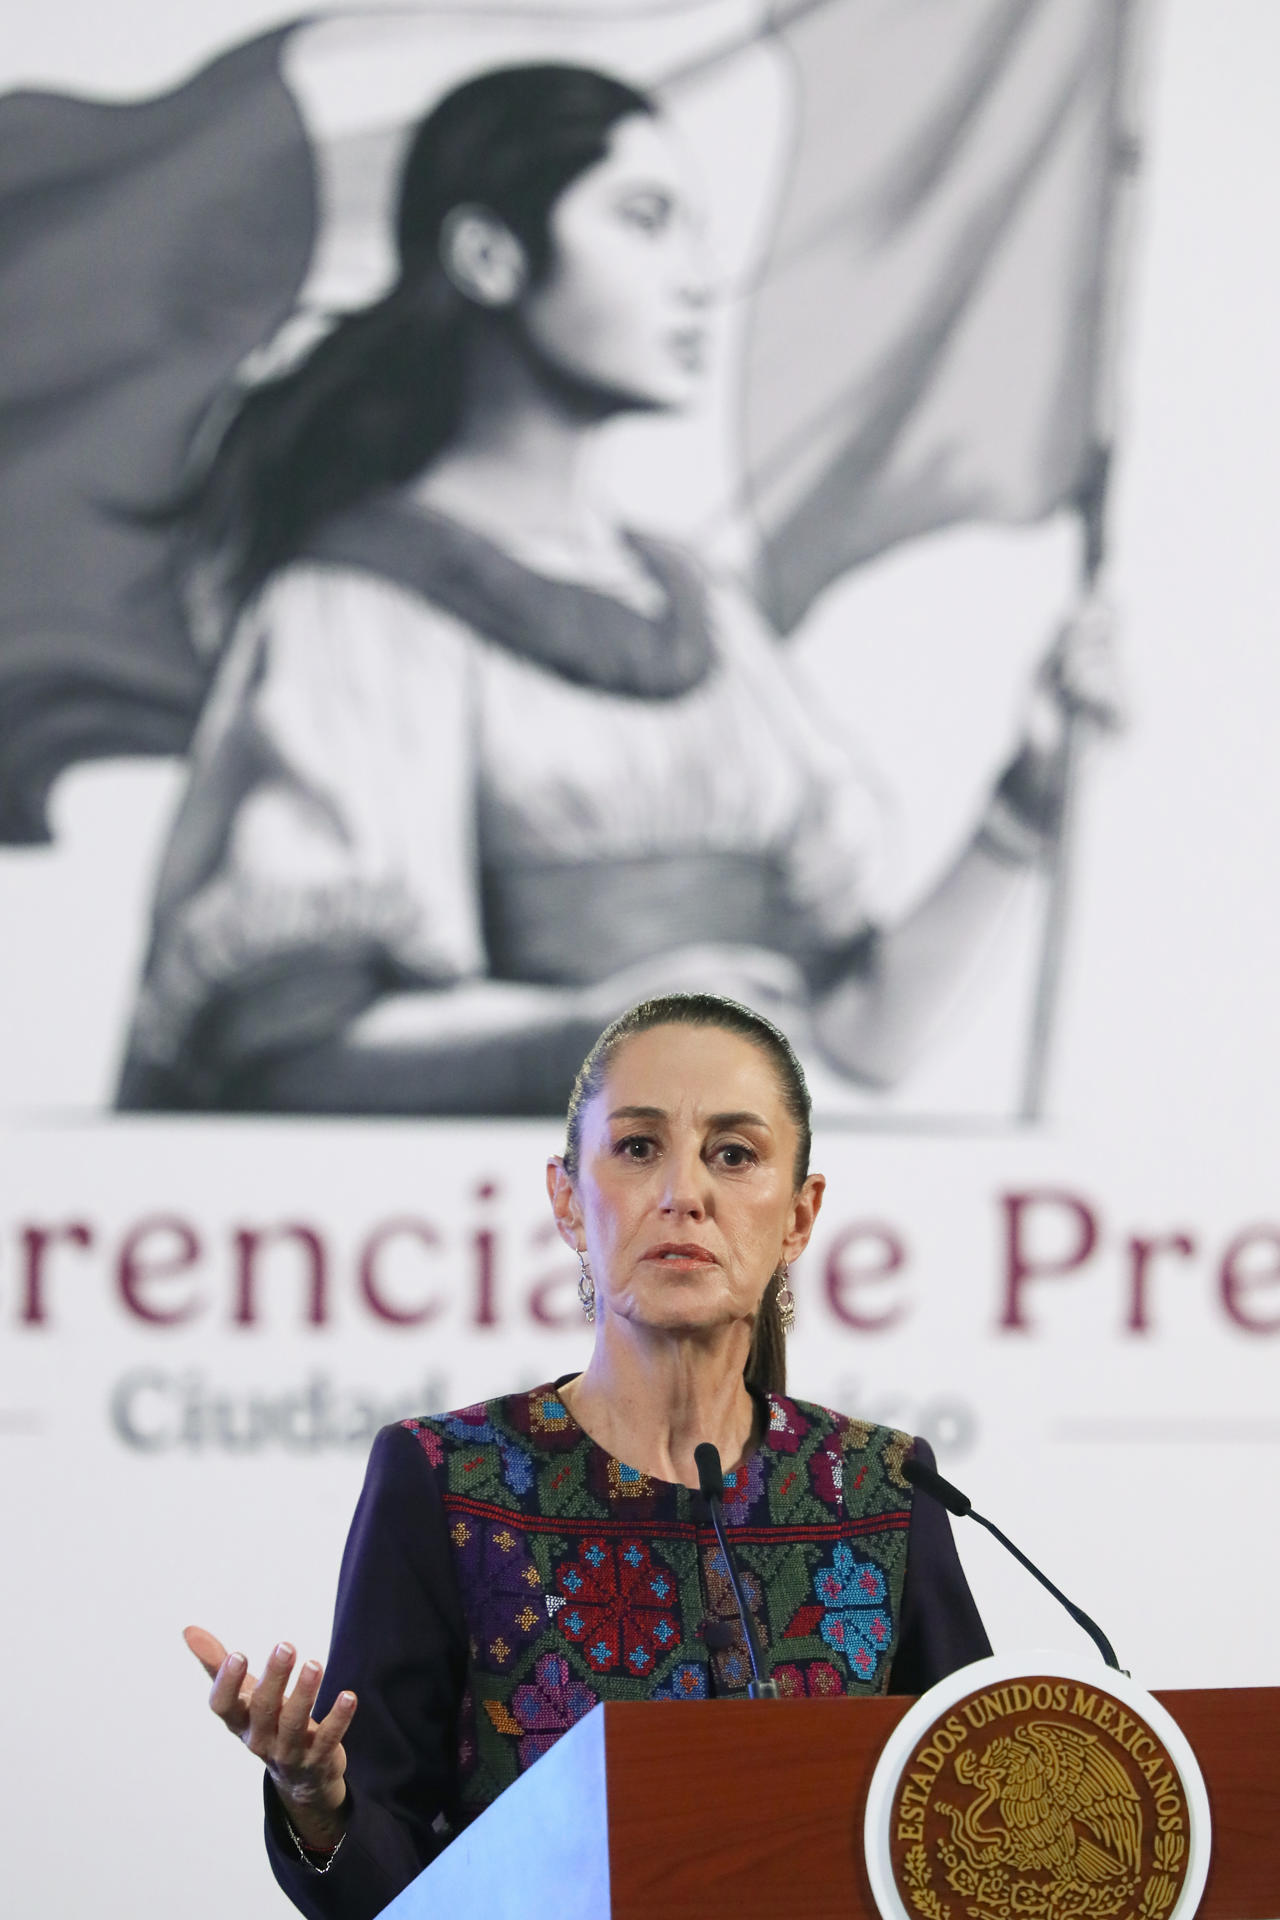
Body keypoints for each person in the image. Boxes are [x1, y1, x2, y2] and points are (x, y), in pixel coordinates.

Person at [117, 61, 1107, 1118]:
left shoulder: (700, 613)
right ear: (488, 257)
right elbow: (289, 1054)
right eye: (643, 220)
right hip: (468, 1248)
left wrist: (1025, 801)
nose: (696, 277)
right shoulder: (355, 610)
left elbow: (864, 1036)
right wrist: (603, 1040)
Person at [185, 992, 992, 1920]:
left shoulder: (886, 1490)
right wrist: (316, 1801)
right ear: (568, 1201)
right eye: (638, 1147)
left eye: (734, 1154)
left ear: (801, 1217)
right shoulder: (448, 1481)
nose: (683, 1192)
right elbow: (385, 1883)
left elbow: (975, 1820)